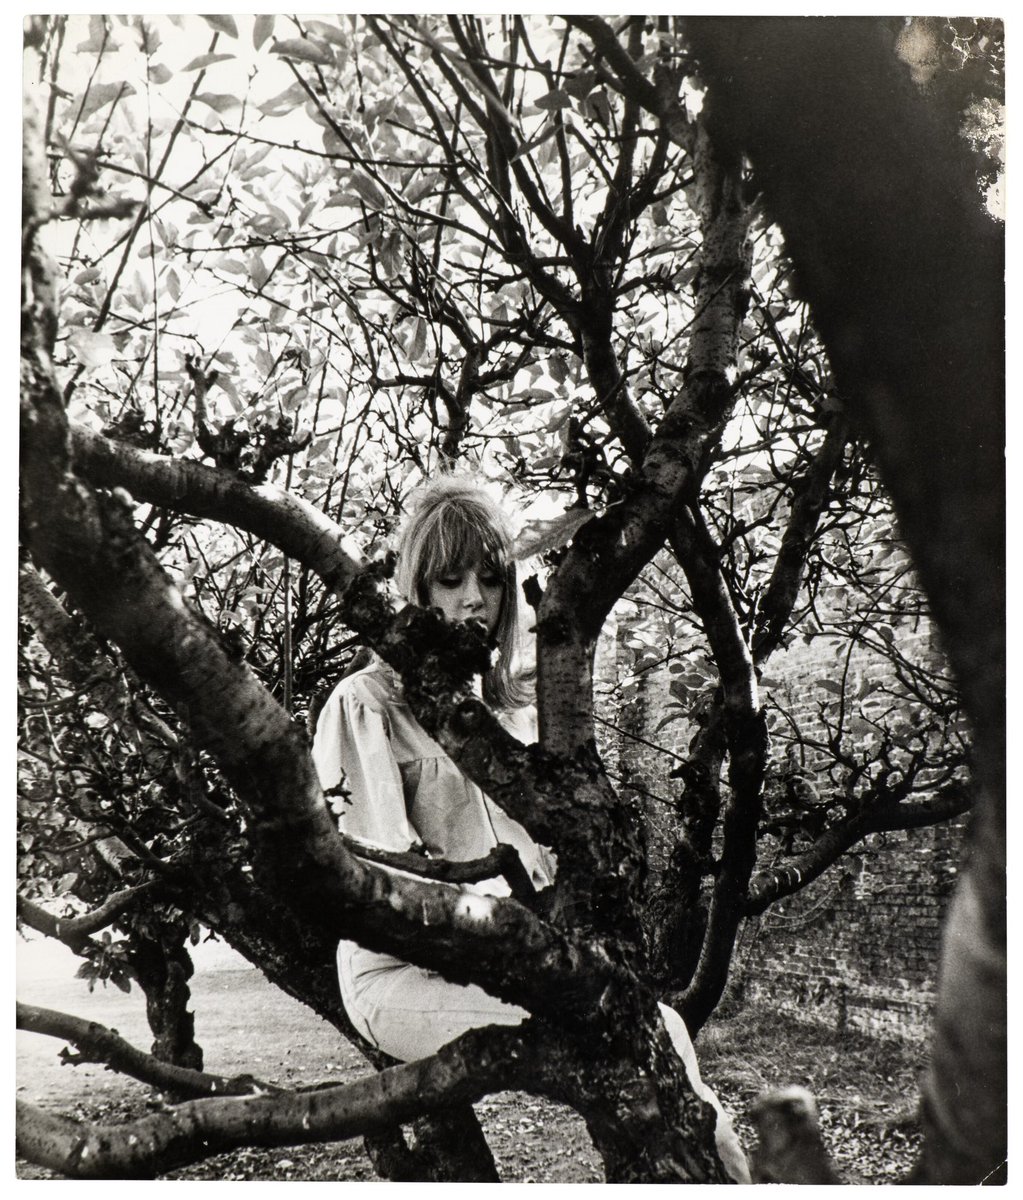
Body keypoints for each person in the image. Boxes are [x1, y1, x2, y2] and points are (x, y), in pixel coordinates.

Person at [312, 475, 750, 1182]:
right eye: (449, 580)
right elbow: (378, 881)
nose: (473, 600)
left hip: (525, 955)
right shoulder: (365, 705)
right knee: (636, 1035)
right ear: (415, 588)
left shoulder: (517, 704)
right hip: (402, 977)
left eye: (490, 578)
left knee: (648, 1036)